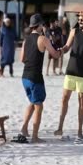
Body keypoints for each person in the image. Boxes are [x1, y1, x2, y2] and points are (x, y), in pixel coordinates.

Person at [54, 9, 83, 141]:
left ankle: (79, 131)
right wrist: (62, 50)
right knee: (64, 99)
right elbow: (67, 46)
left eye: (82, 18)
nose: (79, 20)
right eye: (78, 18)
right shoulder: (74, 31)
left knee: (81, 102)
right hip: (71, 70)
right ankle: (60, 127)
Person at [20, 13, 62, 143]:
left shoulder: (26, 40)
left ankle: (24, 128)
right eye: (43, 24)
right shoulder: (43, 39)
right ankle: (34, 136)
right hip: (35, 77)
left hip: (25, 77)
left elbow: (22, 59)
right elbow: (54, 55)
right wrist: (61, 51)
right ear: (39, 26)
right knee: (39, 106)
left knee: (33, 102)